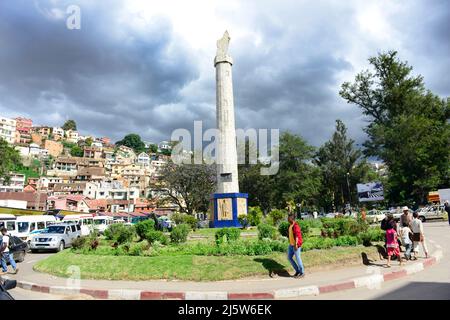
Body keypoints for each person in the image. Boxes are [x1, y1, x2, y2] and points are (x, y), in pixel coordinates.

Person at [287, 213, 304, 278]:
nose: (287, 219)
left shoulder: (295, 226)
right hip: (291, 245)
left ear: (292, 218)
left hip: (295, 245)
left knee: (298, 258)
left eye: (288, 218)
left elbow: (297, 235)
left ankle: (302, 273)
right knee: (289, 257)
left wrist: (296, 244)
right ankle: (297, 270)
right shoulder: (290, 225)